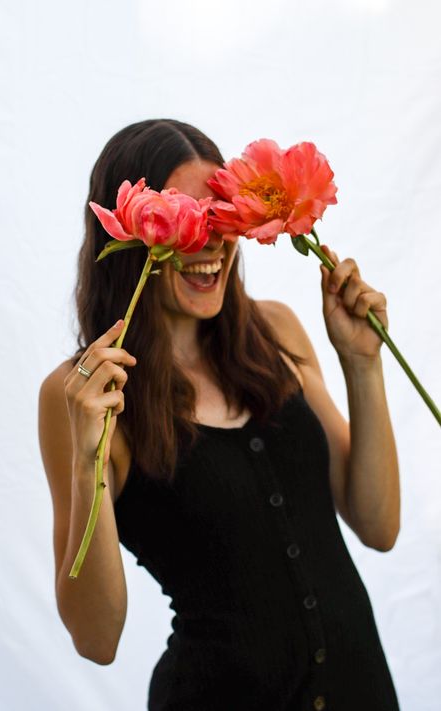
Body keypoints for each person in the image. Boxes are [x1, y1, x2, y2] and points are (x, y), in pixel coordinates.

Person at [38, 119, 401, 711]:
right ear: (132, 231)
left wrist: (363, 365)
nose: (209, 243)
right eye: (185, 220)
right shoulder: (83, 391)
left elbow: (378, 526)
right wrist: (87, 464)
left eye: (220, 216)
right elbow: (96, 639)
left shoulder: (277, 329)